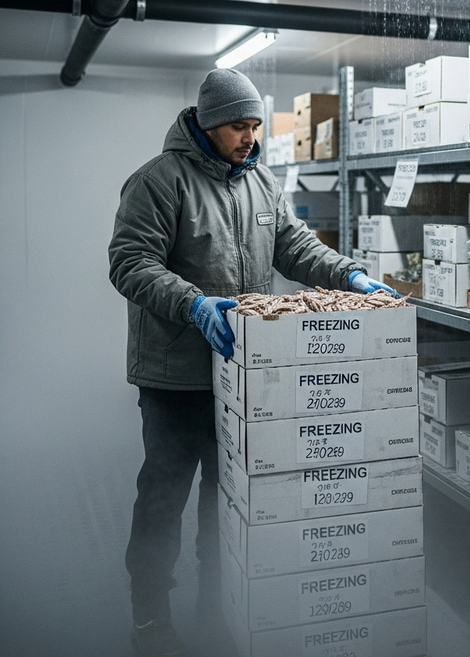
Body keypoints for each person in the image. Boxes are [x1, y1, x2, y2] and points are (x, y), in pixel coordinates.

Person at [108, 68, 395, 657]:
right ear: (209, 123)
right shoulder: (159, 181)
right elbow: (130, 264)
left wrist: (352, 277)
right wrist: (194, 302)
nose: (251, 136)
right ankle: (149, 616)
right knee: (164, 493)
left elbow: (294, 246)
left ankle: (220, 602)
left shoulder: (261, 182)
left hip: (240, 374)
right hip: (175, 375)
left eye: (256, 124)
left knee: (231, 494)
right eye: (240, 125)